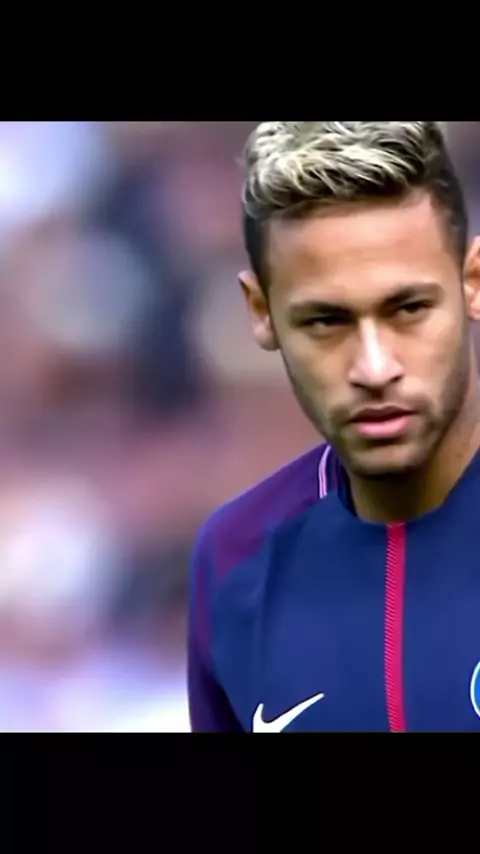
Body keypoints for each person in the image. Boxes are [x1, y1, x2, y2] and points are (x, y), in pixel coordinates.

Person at [187, 122, 480, 732]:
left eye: (409, 309)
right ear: (262, 313)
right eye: (327, 321)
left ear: (472, 282)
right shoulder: (236, 562)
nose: (374, 368)